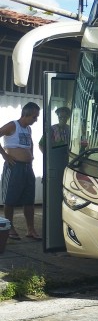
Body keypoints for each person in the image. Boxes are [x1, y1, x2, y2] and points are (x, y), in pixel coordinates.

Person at [0, 102, 41, 241]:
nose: (36, 120)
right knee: (10, 199)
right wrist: (5, 155)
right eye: (34, 117)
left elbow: (31, 143)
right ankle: (10, 227)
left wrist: (31, 155)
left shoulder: (28, 129)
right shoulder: (13, 125)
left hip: (27, 167)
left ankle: (31, 229)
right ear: (26, 114)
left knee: (29, 200)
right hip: (14, 167)